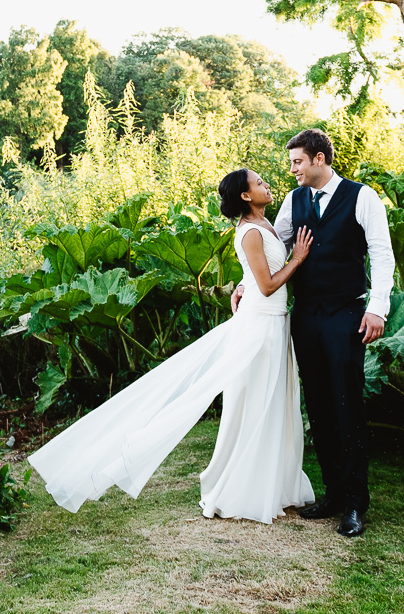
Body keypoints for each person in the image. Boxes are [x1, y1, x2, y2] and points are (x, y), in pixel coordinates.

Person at [26, 168, 317, 523]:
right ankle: (242, 487)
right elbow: (269, 284)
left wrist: (241, 286)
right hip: (259, 325)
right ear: (245, 196)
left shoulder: (266, 225)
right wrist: (297, 260)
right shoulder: (250, 232)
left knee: (271, 407)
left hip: (274, 324)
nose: (266, 185)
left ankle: (274, 485)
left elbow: (253, 274)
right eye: (259, 183)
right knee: (255, 406)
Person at [231, 128, 394, 537]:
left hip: (346, 314)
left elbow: (382, 253)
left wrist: (377, 308)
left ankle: (356, 502)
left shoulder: (363, 197)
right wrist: (244, 282)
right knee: (319, 405)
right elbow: (272, 249)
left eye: (297, 162)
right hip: (304, 316)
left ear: (319, 159)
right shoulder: (292, 200)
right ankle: (334, 492)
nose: (292, 170)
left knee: (347, 404)